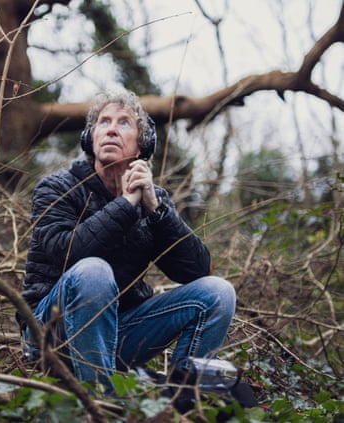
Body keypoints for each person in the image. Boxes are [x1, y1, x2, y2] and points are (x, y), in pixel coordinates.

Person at [20, 89, 236, 392]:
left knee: (218, 292)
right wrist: (125, 204)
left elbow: (196, 271)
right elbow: (69, 254)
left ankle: (181, 401)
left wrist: (156, 211)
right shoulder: (57, 188)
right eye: (103, 122)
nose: (110, 128)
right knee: (93, 271)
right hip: (51, 335)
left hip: (119, 335)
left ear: (142, 144)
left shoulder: (153, 199)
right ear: (89, 138)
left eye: (123, 123)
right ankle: (103, 402)